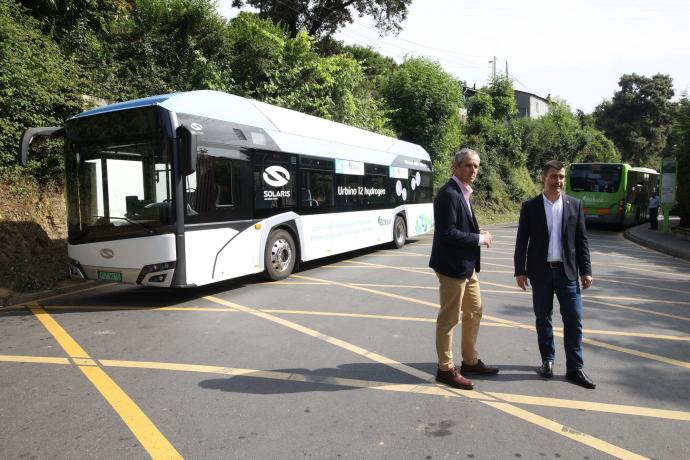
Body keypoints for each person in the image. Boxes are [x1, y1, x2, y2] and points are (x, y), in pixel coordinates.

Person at [513, 159, 595, 389]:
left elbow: (582, 241)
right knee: (543, 319)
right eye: (553, 176)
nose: (557, 181)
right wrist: (520, 270)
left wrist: (586, 271)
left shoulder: (574, 205)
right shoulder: (530, 207)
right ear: (543, 177)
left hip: (567, 272)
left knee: (574, 320)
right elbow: (522, 242)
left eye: (561, 177)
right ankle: (547, 361)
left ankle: (574, 368)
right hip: (541, 273)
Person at [429, 148, 498, 390]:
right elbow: (447, 233)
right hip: (451, 266)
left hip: (466, 267)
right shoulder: (448, 194)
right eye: (469, 165)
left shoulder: (464, 192)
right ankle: (445, 369)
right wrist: (479, 240)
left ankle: (469, 361)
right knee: (449, 319)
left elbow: (460, 227)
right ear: (455, 167)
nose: (473, 170)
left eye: (476, 166)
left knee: (474, 310)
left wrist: (477, 233)